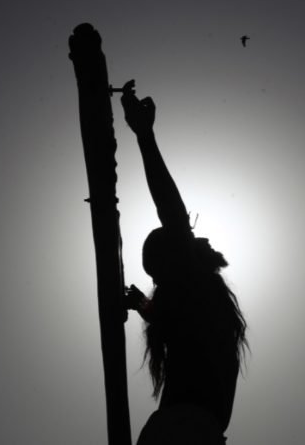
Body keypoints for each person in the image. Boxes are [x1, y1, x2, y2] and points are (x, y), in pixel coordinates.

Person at [120, 80, 248, 445]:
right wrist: (144, 136)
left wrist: (141, 306)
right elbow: (172, 213)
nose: (198, 237)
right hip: (185, 431)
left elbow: (171, 320)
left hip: (189, 430)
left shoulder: (195, 300)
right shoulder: (193, 287)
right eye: (186, 239)